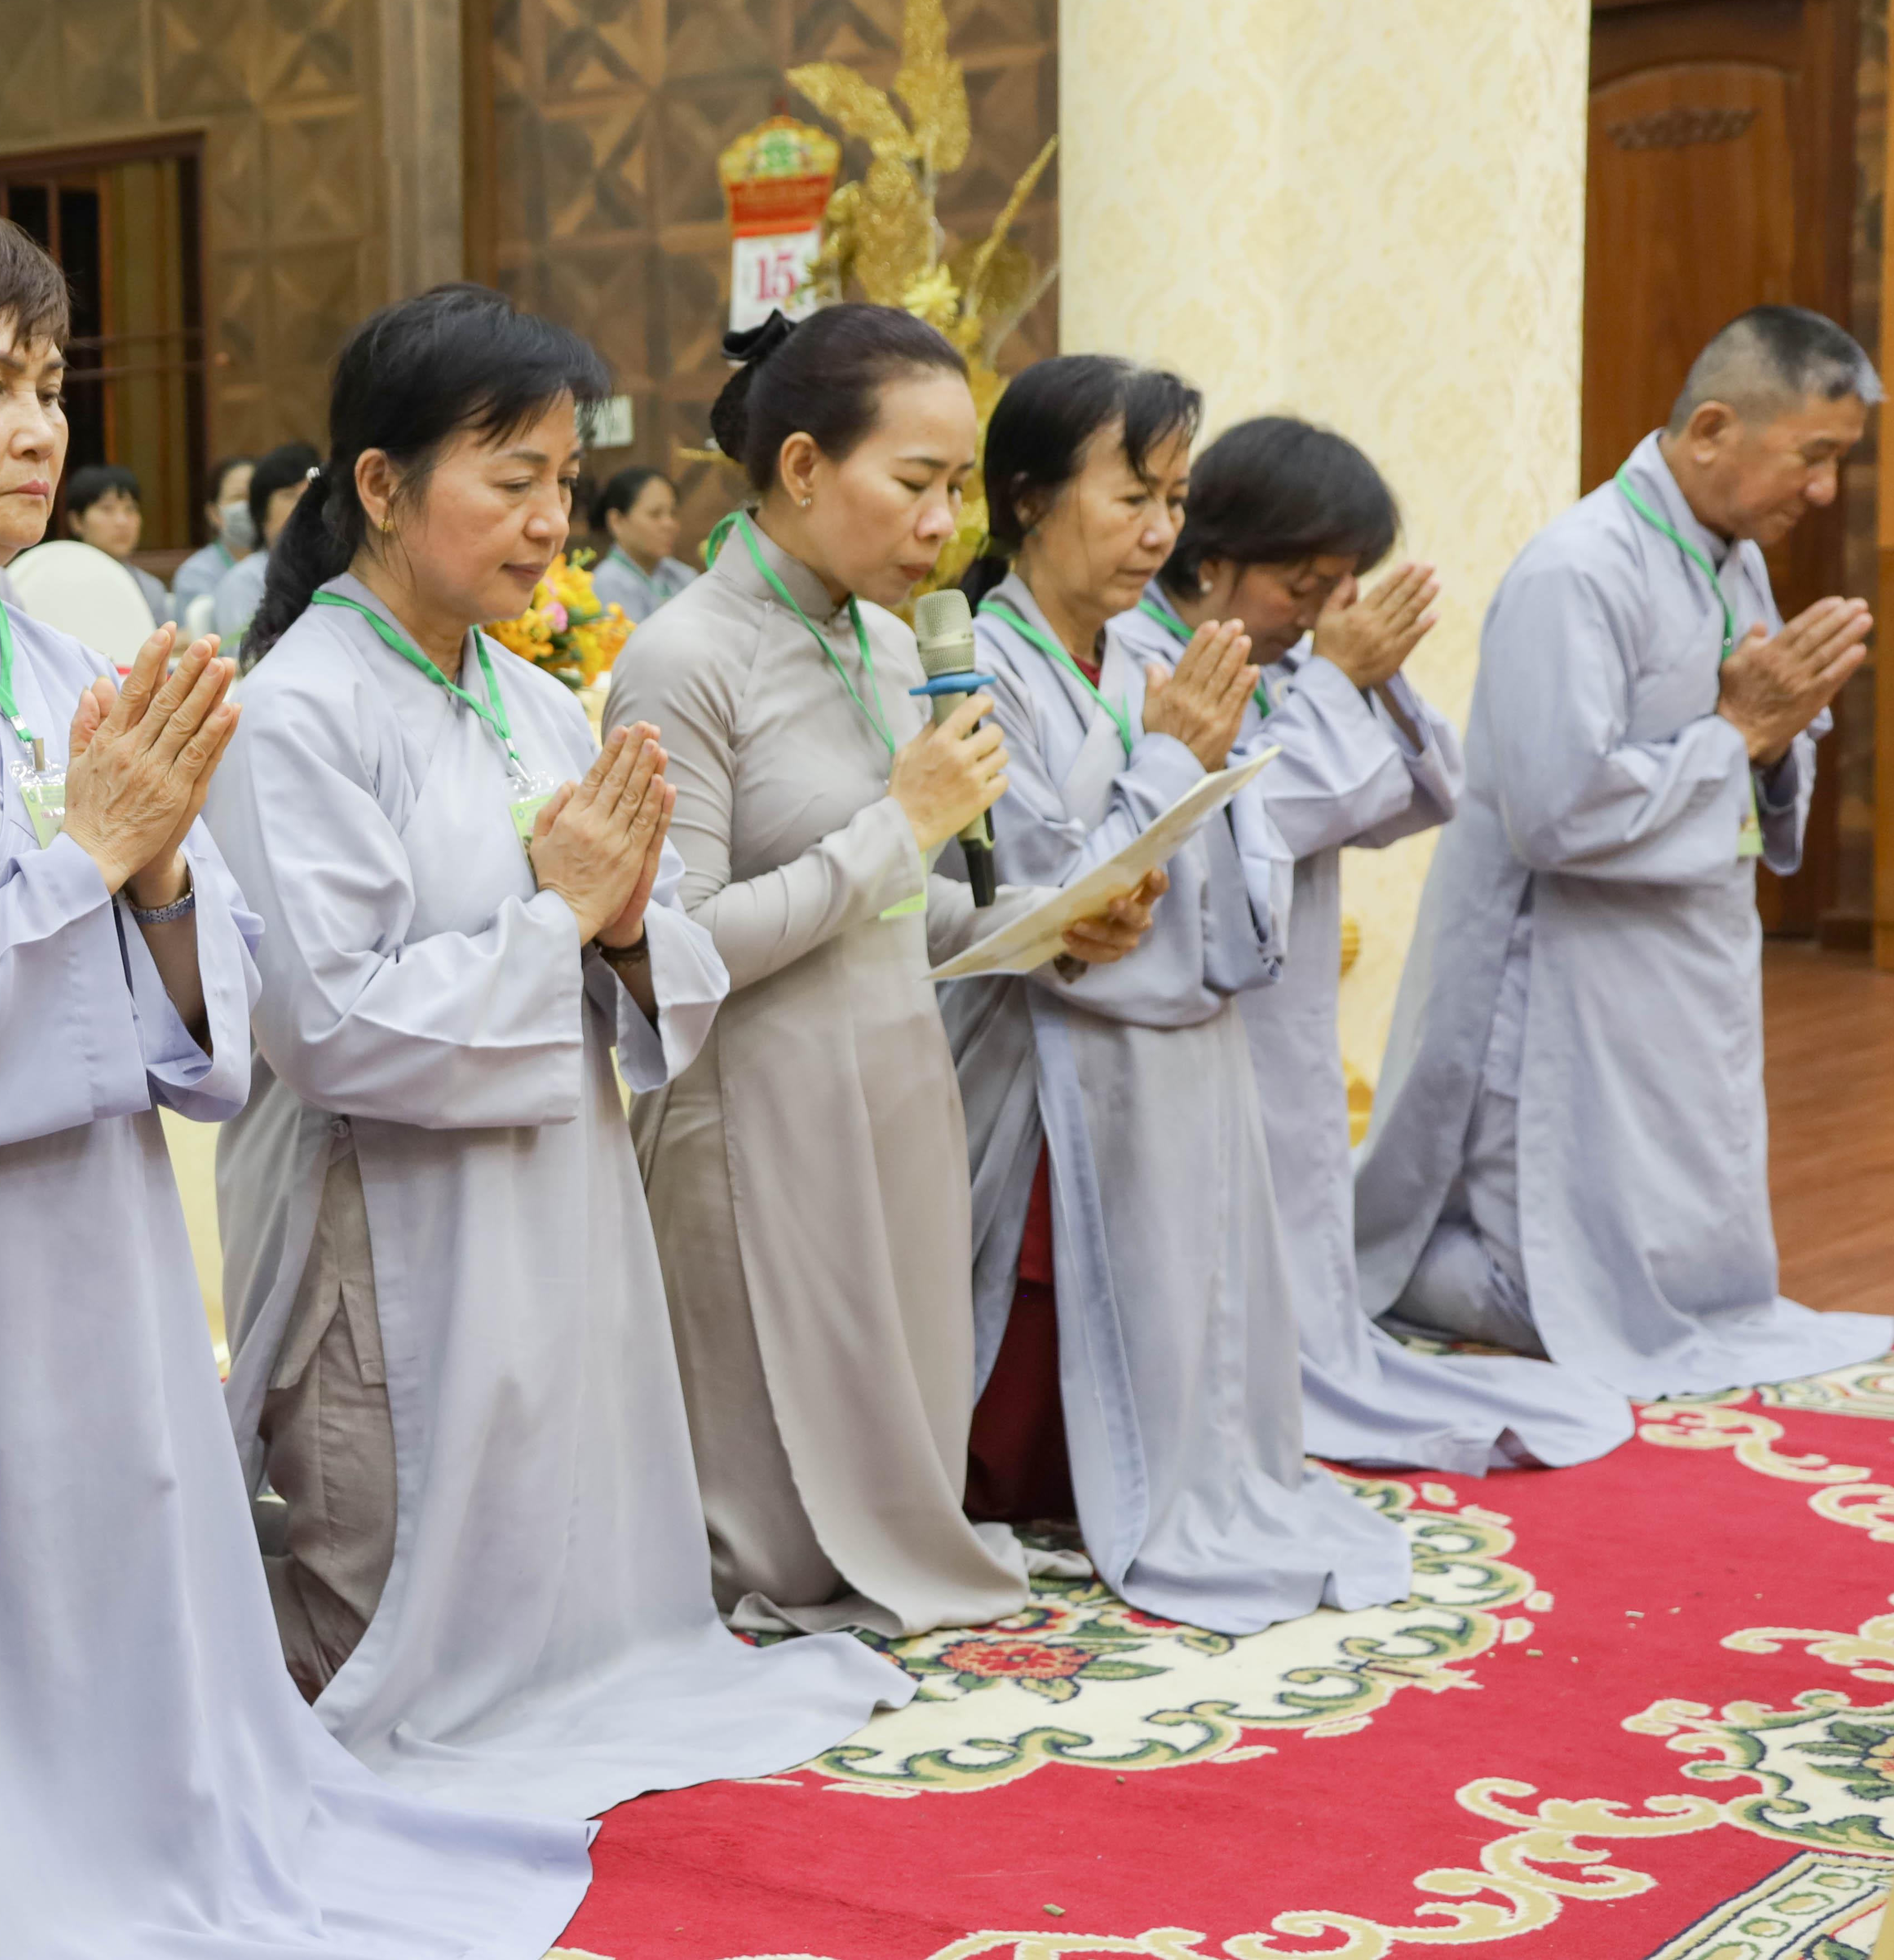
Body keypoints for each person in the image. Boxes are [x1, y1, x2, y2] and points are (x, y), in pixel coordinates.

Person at [0, 204, 590, 1957]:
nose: (37, 429)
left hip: (99, 1243)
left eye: (50, 385)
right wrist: (88, 863)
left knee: (128, 1710)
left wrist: (151, 878)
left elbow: (216, 1024)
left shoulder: (75, 666)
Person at [206, 284, 909, 1820]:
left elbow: (651, 953)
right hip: (379, 1217)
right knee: (383, 1610)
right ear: (380, 488)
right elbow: (329, 1023)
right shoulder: (296, 713)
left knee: (561, 1545)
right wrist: (559, 916)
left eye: (563, 486)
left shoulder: (529, 696)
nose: (548, 525)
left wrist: (628, 927)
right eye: (509, 480)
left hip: (552, 1178)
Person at [604, 307, 1162, 1642]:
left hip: (898, 1079)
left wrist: (1047, 915)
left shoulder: (888, 644)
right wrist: (895, 824)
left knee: (895, 1419)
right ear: (802, 468)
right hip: (754, 1109)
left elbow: (900, 914)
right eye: (915, 483)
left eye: (955, 487)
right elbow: (662, 950)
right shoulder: (684, 658)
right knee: (776, 1533)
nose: (942, 522)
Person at [941, 353, 1408, 1634]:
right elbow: (1038, 894)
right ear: (1027, 497)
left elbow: (1240, 848)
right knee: (1063, 1327)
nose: (1159, 532)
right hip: (1054, 1061)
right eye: (1131, 496)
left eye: (1173, 498)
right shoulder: (981, 659)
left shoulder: (1126, 654)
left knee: (1187, 1290)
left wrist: (1191, 772)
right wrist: (1169, 762)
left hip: (1181, 1036)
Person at [1357, 306, 1890, 1393]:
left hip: (1686, 952)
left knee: (1687, 1260)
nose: (1825, 492)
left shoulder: (1727, 557)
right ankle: (1366, 1252)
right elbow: (1552, 815)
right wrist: (1737, 735)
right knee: (1548, 1292)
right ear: (1710, 428)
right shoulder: (1577, 571)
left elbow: (1757, 739)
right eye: (1815, 458)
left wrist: (1770, 739)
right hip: (1563, 969)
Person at [1141, 417, 1629, 1472]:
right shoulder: (1150, 654)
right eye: (1301, 584)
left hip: (1291, 1001)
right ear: (1214, 558)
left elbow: (1413, 793)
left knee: (1305, 1181)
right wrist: (1334, 681)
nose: (1321, 614)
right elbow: (1248, 816)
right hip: (1195, 994)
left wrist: (1362, 676)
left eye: (1341, 586)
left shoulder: (1278, 659)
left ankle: (1312, 1350)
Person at [209, 441, 321, 653]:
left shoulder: (337, 573)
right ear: (261, 512)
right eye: (289, 495)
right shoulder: (243, 582)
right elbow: (247, 660)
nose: (306, 504)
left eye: (312, 492)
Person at [59, 459, 172, 622]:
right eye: (107, 509)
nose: (122, 521)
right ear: (77, 521)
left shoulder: (150, 589)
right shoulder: (57, 581)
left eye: (130, 509)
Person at [586, 464, 694, 620]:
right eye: (655, 514)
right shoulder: (604, 585)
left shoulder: (684, 576)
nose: (669, 524)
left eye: (673, 513)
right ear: (616, 521)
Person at [171, 450, 256, 612]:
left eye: (255, 497)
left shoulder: (283, 562)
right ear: (214, 514)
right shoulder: (197, 574)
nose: (249, 506)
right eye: (238, 497)